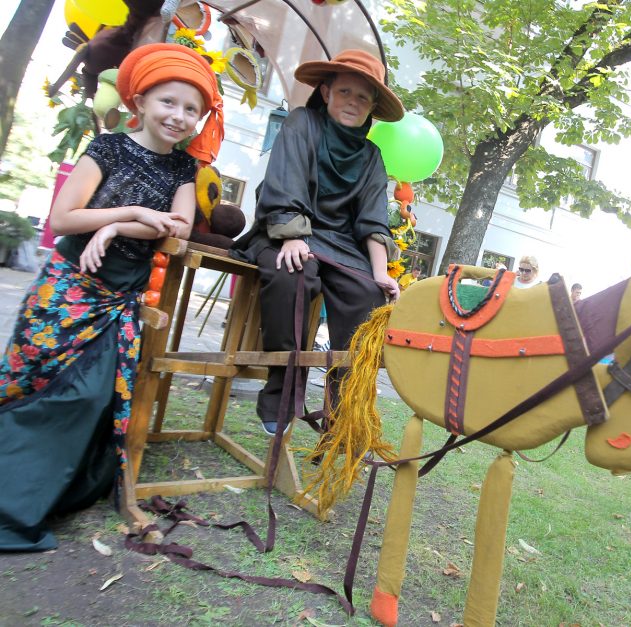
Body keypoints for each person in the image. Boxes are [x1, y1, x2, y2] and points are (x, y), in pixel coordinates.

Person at [0, 43, 222, 551]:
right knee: (31, 385)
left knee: (88, 397)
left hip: (119, 300)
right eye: (168, 102)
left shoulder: (183, 170)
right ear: (139, 101)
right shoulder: (107, 149)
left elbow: (181, 228)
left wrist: (125, 224)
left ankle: (42, 495)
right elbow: (63, 218)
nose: (179, 116)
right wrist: (132, 216)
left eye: (191, 109)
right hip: (68, 291)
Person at [230, 49, 403, 435]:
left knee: (367, 296)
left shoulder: (372, 156)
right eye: (345, 92)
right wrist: (293, 236)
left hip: (341, 246)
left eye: (363, 97)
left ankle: (341, 413)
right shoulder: (301, 123)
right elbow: (285, 181)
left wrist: (380, 273)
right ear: (326, 92)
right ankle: (280, 391)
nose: (353, 103)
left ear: (372, 106)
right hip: (284, 229)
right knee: (294, 274)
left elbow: (372, 218)